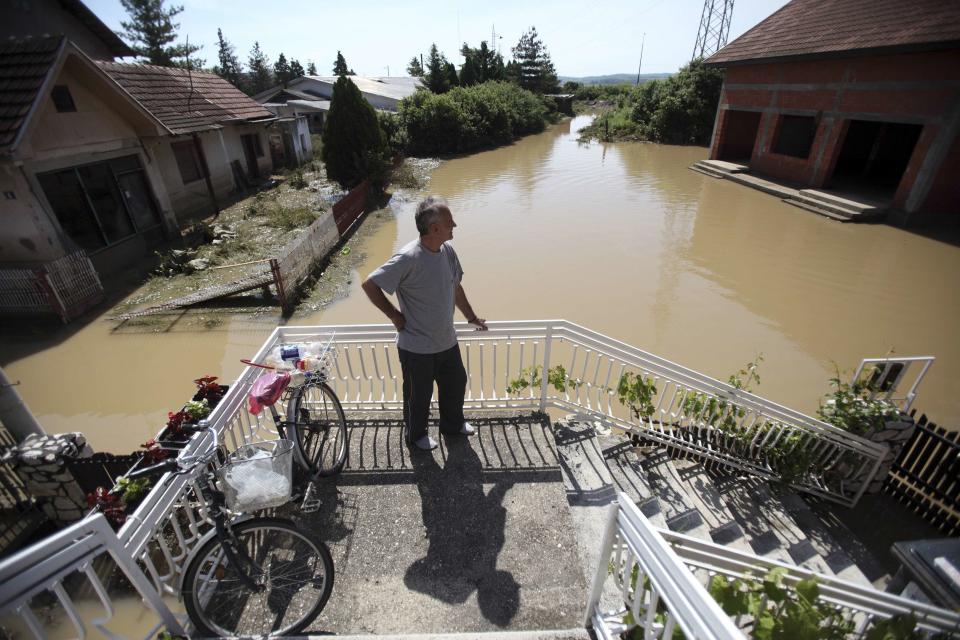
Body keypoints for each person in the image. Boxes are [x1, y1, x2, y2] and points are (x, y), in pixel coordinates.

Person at [361, 196, 488, 451]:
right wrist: (395, 316)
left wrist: (471, 317)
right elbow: (370, 284)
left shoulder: (448, 251)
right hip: (416, 347)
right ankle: (416, 436)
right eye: (449, 221)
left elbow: (455, 287)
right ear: (434, 228)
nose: (455, 225)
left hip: (446, 341)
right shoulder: (409, 257)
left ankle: (452, 426)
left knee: (456, 384)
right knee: (418, 397)